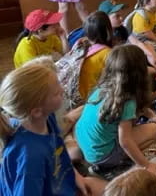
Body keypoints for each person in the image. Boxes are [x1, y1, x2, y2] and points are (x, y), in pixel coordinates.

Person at [0, 62, 106, 195]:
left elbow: (59, 155)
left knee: (112, 189)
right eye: (56, 93)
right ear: (37, 111)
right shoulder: (30, 158)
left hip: (59, 184)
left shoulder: (46, 119)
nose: (62, 90)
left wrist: (75, 176)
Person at [74, 44, 156, 177]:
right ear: (139, 73)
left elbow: (141, 108)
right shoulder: (127, 101)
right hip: (102, 155)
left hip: (86, 145)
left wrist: (152, 115)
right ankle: (115, 165)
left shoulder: (102, 88)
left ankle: (116, 161)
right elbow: (125, 141)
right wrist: (147, 165)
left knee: (143, 125)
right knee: (154, 129)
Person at [76, 11, 113, 100]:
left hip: (77, 96)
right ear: (107, 30)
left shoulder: (79, 44)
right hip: (95, 98)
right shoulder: (108, 53)